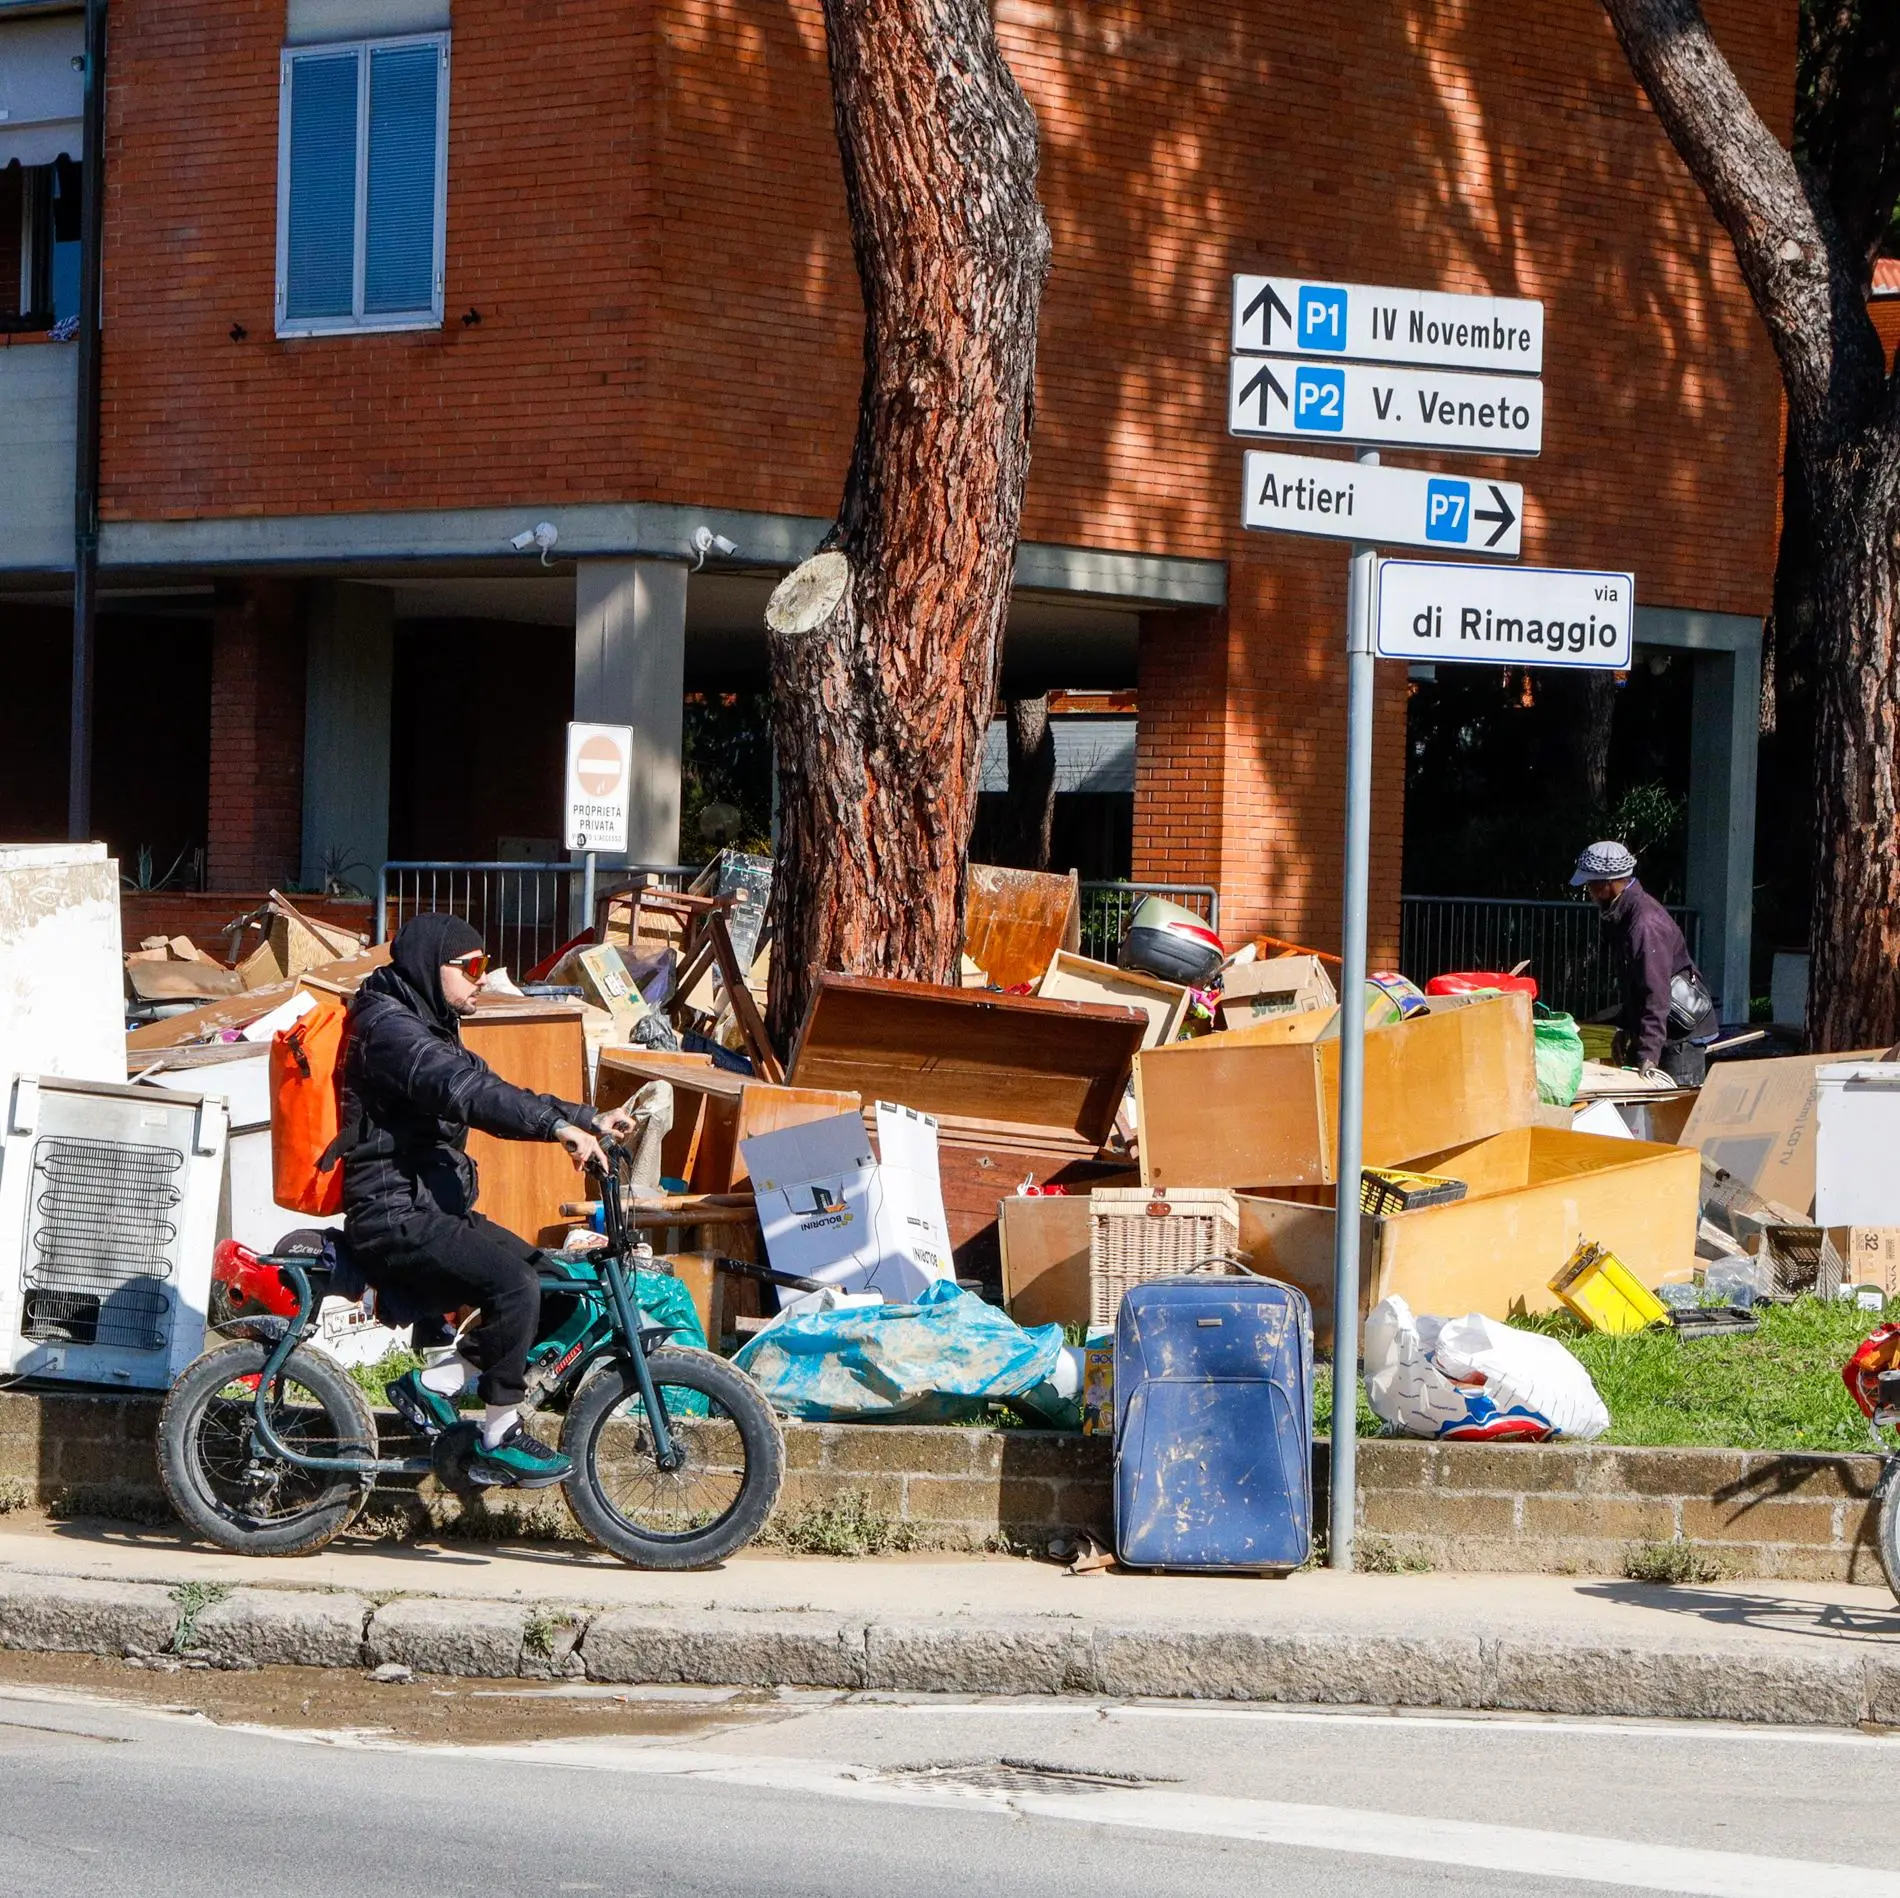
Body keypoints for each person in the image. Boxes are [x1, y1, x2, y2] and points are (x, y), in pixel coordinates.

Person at [339, 913, 637, 1488]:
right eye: (470, 967)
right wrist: (556, 1131)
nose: (481, 979)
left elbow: (495, 1084)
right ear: (433, 967)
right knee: (514, 1285)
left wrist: (584, 1118)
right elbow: (468, 1093)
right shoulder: (392, 1033)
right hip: (393, 1214)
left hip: (432, 1208)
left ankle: (436, 1384)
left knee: (551, 1285)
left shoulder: (430, 1021)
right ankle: (499, 1434)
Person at [1570, 840, 1716, 1086]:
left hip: (1679, 1039)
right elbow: (1636, 988)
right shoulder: (1625, 915)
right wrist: (1626, 1030)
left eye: (1591, 885)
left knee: (1671, 1119)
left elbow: (1656, 996)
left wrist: (1648, 1057)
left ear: (1608, 883)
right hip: (1664, 1032)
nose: (1590, 893)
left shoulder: (1645, 925)